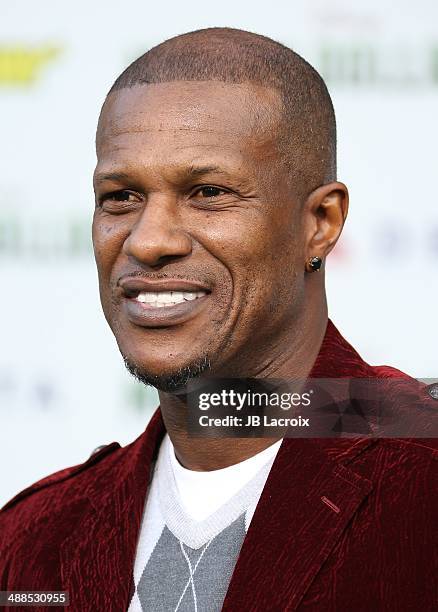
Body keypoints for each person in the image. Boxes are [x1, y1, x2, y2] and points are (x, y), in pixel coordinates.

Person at [1, 27, 437, 612]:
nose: (149, 241)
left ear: (322, 222)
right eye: (122, 197)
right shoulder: (31, 541)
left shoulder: (423, 479)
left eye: (207, 192)